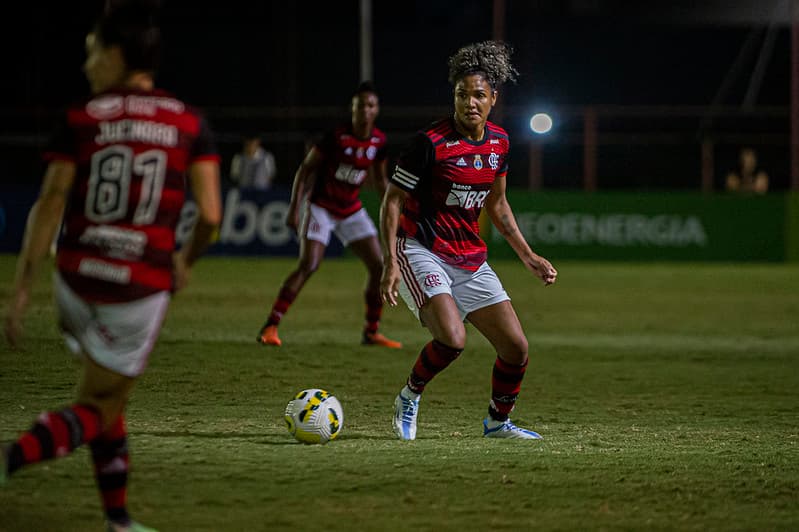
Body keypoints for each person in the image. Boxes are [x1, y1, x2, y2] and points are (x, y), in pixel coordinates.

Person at [2, 2, 222, 531]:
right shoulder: (188, 121)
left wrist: (22, 288)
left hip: (74, 281)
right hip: (136, 290)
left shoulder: (81, 117)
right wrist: (184, 260)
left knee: (107, 396)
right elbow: (211, 215)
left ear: (118, 54)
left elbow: (50, 201)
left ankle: (118, 521)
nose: (88, 64)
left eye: (93, 52)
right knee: (98, 407)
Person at [379, 41, 558, 441]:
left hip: (469, 257)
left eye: (479, 95)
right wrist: (390, 261)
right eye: (462, 95)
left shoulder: (499, 144)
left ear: (493, 98)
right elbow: (392, 201)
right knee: (452, 338)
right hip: (421, 249)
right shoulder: (429, 144)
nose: (470, 103)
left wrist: (527, 256)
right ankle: (409, 396)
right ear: (453, 98)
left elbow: (498, 205)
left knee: (516, 348)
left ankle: (497, 422)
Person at [257, 81, 402, 349]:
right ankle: (271, 324)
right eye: (360, 106)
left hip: (350, 210)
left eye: (370, 106)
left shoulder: (378, 141)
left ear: (376, 109)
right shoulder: (335, 137)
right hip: (321, 207)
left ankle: (371, 332)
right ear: (353, 109)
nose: (365, 111)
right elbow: (304, 171)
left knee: (378, 265)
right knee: (310, 264)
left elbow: (380, 180)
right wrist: (294, 208)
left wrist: (391, 209)